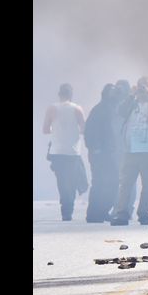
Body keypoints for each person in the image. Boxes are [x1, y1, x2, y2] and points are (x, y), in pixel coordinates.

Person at [110, 76, 148, 226]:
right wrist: (131, 95)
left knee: (147, 185)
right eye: (140, 87)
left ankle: (143, 214)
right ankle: (122, 214)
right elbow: (120, 111)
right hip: (130, 150)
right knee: (125, 184)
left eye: (145, 87)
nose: (142, 90)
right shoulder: (131, 103)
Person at [42, 83, 87, 221]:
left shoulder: (51, 108)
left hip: (57, 151)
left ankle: (65, 212)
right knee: (72, 182)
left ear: (59, 94)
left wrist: (55, 131)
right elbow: (84, 129)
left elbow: (45, 130)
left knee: (62, 182)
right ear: (71, 95)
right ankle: (69, 209)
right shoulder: (77, 109)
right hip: (73, 152)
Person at [83, 83, 119, 223]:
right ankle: (93, 214)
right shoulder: (99, 110)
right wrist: (95, 148)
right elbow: (89, 131)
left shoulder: (111, 109)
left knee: (111, 182)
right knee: (100, 183)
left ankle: (102, 211)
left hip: (108, 153)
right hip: (100, 154)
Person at [108, 79, 132, 219]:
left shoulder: (130, 104)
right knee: (120, 179)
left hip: (128, 147)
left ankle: (124, 209)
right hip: (118, 147)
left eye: (121, 89)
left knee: (127, 179)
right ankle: (120, 208)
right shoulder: (113, 104)